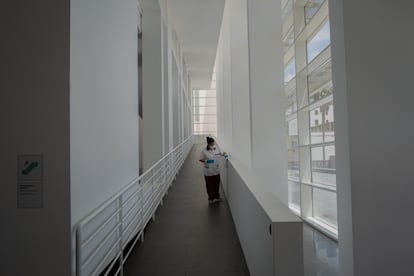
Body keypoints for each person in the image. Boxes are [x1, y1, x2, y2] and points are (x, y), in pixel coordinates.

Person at [199, 137, 226, 204]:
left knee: (217, 185)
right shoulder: (204, 151)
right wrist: (207, 161)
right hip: (208, 171)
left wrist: (226, 156)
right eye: (212, 143)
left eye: (214, 143)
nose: (213, 144)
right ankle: (211, 199)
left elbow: (223, 153)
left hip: (216, 171)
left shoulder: (217, 148)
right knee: (209, 185)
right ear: (208, 144)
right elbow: (200, 159)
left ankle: (217, 198)